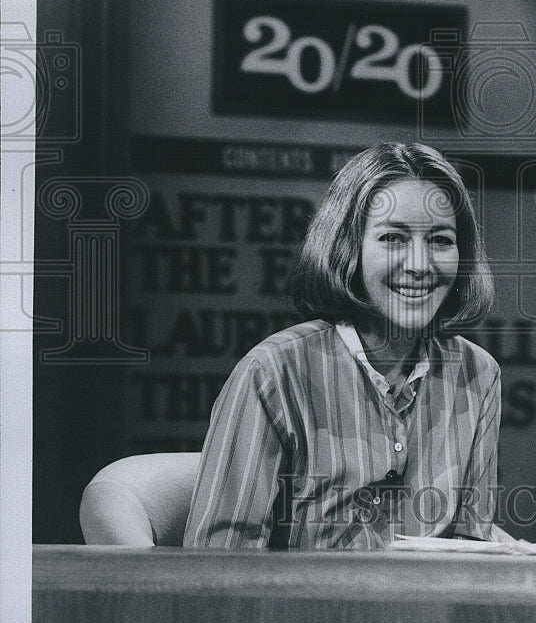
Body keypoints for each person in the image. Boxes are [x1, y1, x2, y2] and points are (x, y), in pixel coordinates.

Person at [183, 141, 501, 550]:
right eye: (392, 238)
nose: (420, 265)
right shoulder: (272, 372)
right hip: (299, 612)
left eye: (440, 240)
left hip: (426, 612)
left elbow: (471, 547)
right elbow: (217, 564)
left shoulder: (479, 373)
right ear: (349, 249)